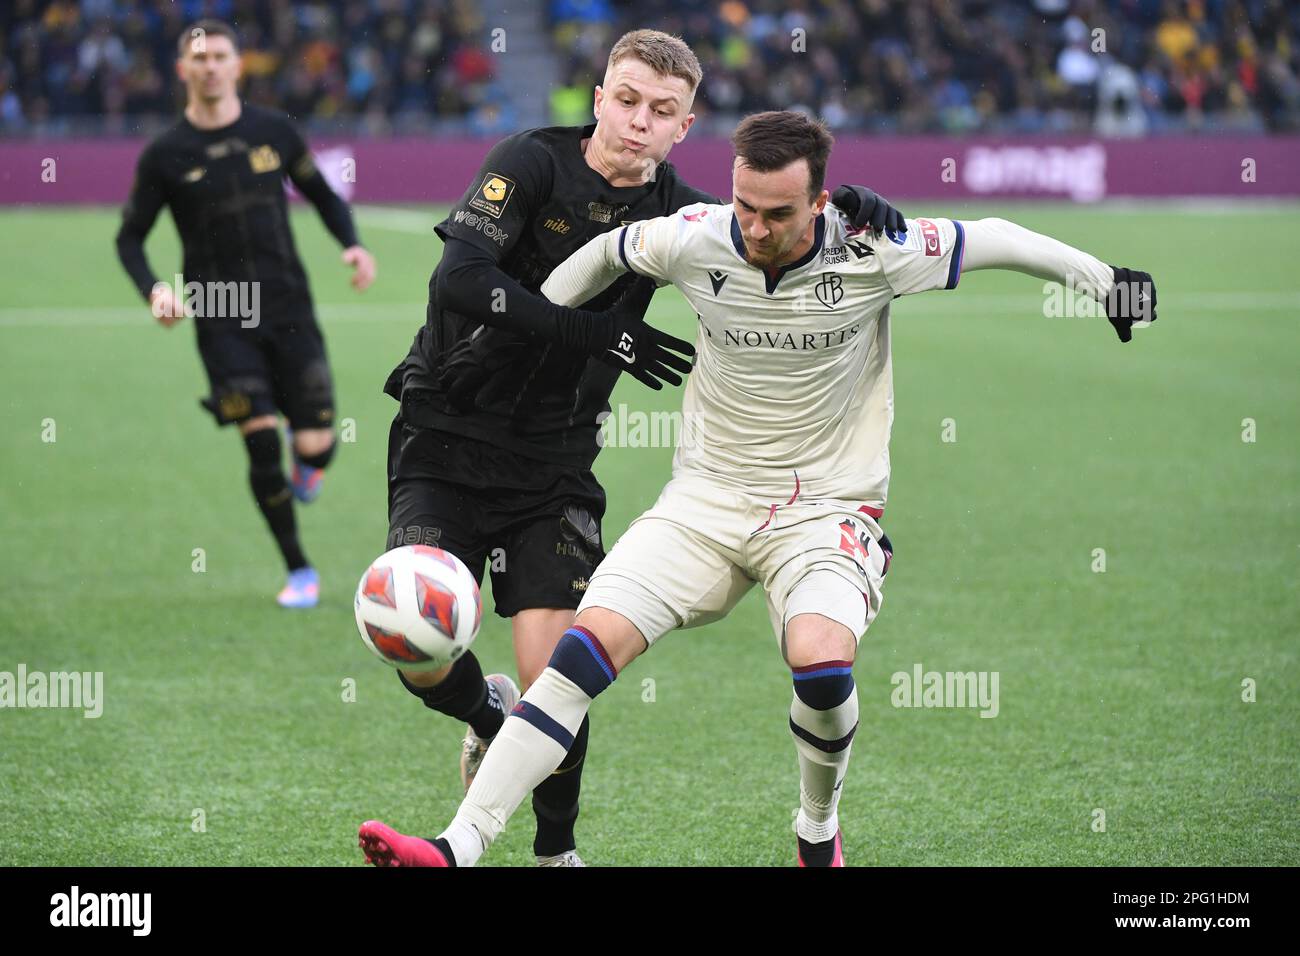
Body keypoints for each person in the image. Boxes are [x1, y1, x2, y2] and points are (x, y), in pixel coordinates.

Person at [359, 109, 1157, 867]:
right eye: (743, 204)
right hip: (701, 505)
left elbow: (995, 237)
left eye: (777, 213)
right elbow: (604, 255)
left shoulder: (876, 245)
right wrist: (515, 332)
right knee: (576, 660)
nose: (754, 227)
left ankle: (817, 828)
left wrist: (1104, 282)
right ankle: (455, 847)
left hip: (825, 510)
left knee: (820, 665)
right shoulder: (698, 236)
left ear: (819, 202)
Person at [368, 31, 904, 867]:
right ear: (598, 97)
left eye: (660, 111)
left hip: (553, 464)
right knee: (416, 643)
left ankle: (555, 853)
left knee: (564, 669)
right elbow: (460, 282)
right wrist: (594, 335)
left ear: (684, 125)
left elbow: (775, 226)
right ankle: (485, 717)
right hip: (444, 435)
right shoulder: (529, 162)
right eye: (625, 100)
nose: (637, 122)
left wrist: (854, 209)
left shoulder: (684, 214)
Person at [115, 18, 376, 608]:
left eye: (222, 56)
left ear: (238, 65)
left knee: (316, 446)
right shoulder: (165, 154)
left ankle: (307, 460)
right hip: (220, 315)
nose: (211, 67)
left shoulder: (272, 132)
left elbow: (322, 195)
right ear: (183, 70)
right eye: (199, 59)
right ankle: (299, 570)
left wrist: (352, 244)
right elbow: (129, 239)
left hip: (289, 308)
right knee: (259, 440)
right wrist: (155, 290)